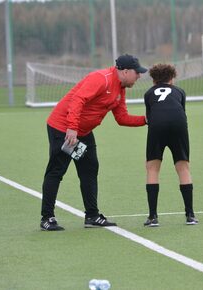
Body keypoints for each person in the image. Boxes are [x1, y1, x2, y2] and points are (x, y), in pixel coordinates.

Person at [40, 54, 147, 231]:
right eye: (137, 73)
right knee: (57, 170)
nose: (139, 76)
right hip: (63, 128)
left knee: (89, 169)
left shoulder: (120, 89)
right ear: (126, 71)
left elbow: (122, 118)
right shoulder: (101, 79)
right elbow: (77, 99)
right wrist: (72, 128)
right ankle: (47, 218)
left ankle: (92, 215)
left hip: (83, 132)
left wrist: (147, 119)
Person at [143, 63, 198, 227]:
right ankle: (190, 215)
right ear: (172, 79)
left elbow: (149, 116)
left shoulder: (148, 93)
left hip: (157, 126)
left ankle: (153, 217)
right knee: (183, 167)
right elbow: (181, 110)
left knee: (152, 168)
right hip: (179, 125)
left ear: (153, 80)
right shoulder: (180, 91)